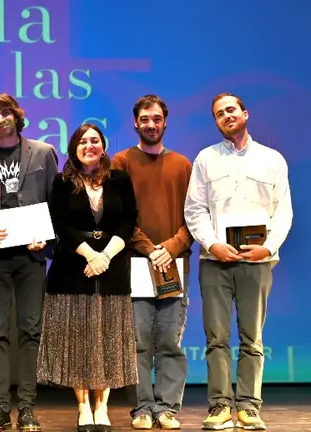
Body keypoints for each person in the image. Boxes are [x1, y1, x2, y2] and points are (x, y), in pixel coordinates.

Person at [184, 93, 292, 431]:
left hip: (257, 261)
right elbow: (195, 209)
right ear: (216, 122)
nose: (226, 116)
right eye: (219, 113)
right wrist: (213, 244)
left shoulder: (272, 160)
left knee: (252, 337)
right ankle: (219, 406)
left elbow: (283, 211)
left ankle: (248, 406)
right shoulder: (206, 159)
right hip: (215, 261)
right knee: (216, 337)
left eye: (231, 110)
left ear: (245, 113)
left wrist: (268, 247)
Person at [0, 93, 59, 432]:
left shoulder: (44, 152)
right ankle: (0, 408)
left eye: (6, 112)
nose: (1, 119)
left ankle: (28, 408)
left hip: (32, 255)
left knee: (31, 331)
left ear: (17, 116)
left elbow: (55, 203)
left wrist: (46, 239)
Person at [38, 123, 139, 432]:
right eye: (83, 141)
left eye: (95, 140)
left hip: (112, 267)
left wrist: (104, 256)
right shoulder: (62, 182)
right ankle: (83, 406)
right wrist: (90, 255)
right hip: (72, 268)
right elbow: (60, 224)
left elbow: (129, 221)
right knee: (78, 339)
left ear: (103, 146)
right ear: (74, 148)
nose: (89, 146)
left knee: (106, 337)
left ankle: (102, 406)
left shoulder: (119, 179)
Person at [111, 95, 193, 430]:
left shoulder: (182, 165)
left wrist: (171, 247)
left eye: (156, 119)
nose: (151, 124)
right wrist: (149, 248)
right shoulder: (121, 162)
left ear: (165, 122)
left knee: (170, 341)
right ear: (135, 123)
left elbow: (195, 217)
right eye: (145, 119)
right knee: (138, 341)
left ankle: (167, 408)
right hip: (135, 263)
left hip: (174, 263)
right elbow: (118, 216)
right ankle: (143, 407)